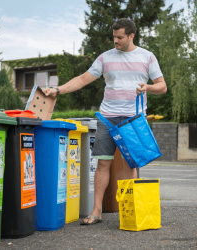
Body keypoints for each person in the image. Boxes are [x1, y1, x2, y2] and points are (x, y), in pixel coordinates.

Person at [43, 18, 167, 225]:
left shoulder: (147, 57)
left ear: (131, 36)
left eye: (120, 37)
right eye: (114, 37)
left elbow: (162, 86)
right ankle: (96, 211)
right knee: (102, 163)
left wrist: (147, 88)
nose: (116, 41)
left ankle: (130, 211)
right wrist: (58, 90)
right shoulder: (105, 58)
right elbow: (83, 79)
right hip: (107, 117)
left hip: (133, 120)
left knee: (130, 166)